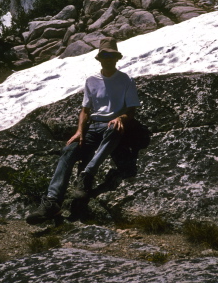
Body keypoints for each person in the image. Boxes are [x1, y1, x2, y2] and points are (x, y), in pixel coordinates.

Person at [26, 37, 140, 225]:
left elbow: (132, 111)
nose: (108, 58)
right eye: (104, 55)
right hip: (93, 126)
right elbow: (85, 111)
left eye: (111, 55)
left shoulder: (126, 80)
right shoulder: (91, 81)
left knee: (114, 129)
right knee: (68, 150)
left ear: (117, 58)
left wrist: (120, 118)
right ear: (99, 58)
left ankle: (87, 175)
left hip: (113, 125)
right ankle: (52, 202)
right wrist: (80, 131)